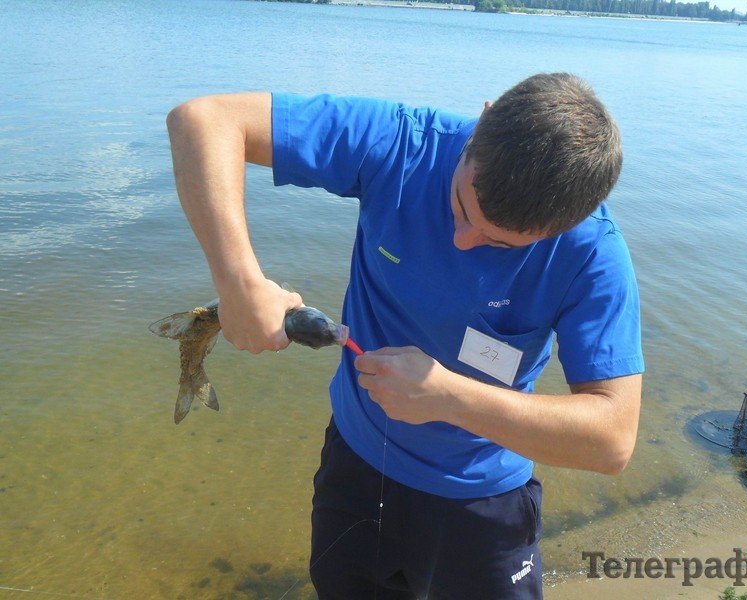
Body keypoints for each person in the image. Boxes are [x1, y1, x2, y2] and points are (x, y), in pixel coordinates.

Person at [166, 73, 644, 599]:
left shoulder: (595, 255)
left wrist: (450, 398)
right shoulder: (401, 144)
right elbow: (203, 119)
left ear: (567, 224)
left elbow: (612, 440)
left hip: (482, 502)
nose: (464, 242)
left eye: (500, 244)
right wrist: (238, 283)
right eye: (461, 208)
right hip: (354, 465)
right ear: (482, 122)